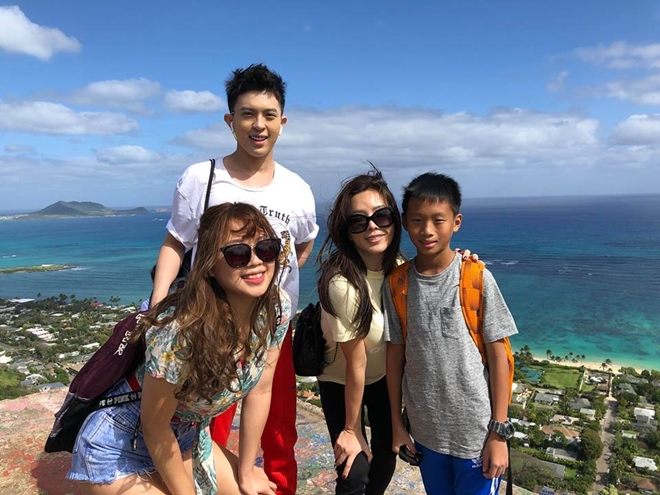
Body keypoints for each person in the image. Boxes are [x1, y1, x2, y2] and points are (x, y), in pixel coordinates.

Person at [151, 63, 318, 495]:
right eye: (247, 114)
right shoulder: (201, 178)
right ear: (230, 121)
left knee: (278, 428)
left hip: (272, 327)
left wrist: (269, 285)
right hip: (210, 326)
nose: (258, 125)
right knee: (208, 423)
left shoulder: (298, 190)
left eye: (268, 114)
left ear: (282, 122)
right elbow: (176, 241)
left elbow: (301, 246)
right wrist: (157, 303)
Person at [67, 202, 292, 495]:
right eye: (238, 253)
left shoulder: (276, 308)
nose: (256, 261)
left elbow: (260, 390)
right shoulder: (181, 329)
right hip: (118, 445)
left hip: (185, 437)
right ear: (210, 265)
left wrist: (247, 471)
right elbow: (154, 425)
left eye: (266, 248)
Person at [383, 172, 518, 495]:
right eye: (417, 220)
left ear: (456, 222)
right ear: (405, 222)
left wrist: (499, 434)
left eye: (438, 220)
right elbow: (395, 356)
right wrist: (397, 425)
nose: (427, 230)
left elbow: (499, 357)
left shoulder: (476, 278)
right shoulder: (398, 283)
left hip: (476, 435)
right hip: (426, 434)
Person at [315, 167, 402, 495]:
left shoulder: (399, 269)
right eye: (358, 221)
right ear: (347, 232)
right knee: (354, 471)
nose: (373, 227)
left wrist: (462, 261)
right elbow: (356, 361)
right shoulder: (342, 283)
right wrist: (351, 430)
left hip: (382, 378)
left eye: (382, 216)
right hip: (341, 381)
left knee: (386, 458)